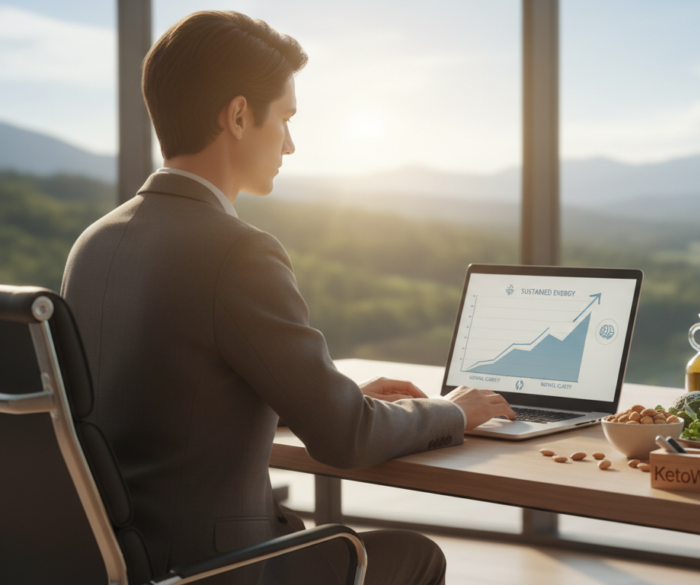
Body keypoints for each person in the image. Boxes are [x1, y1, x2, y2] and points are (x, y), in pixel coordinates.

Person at [61, 11, 514, 585]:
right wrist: (454, 411)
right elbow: (345, 438)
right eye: (286, 118)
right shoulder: (237, 251)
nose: (292, 144)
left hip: (120, 561)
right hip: (217, 568)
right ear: (240, 115)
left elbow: (160, 397)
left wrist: (322, 394)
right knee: (417, 555)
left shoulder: (94, 243)